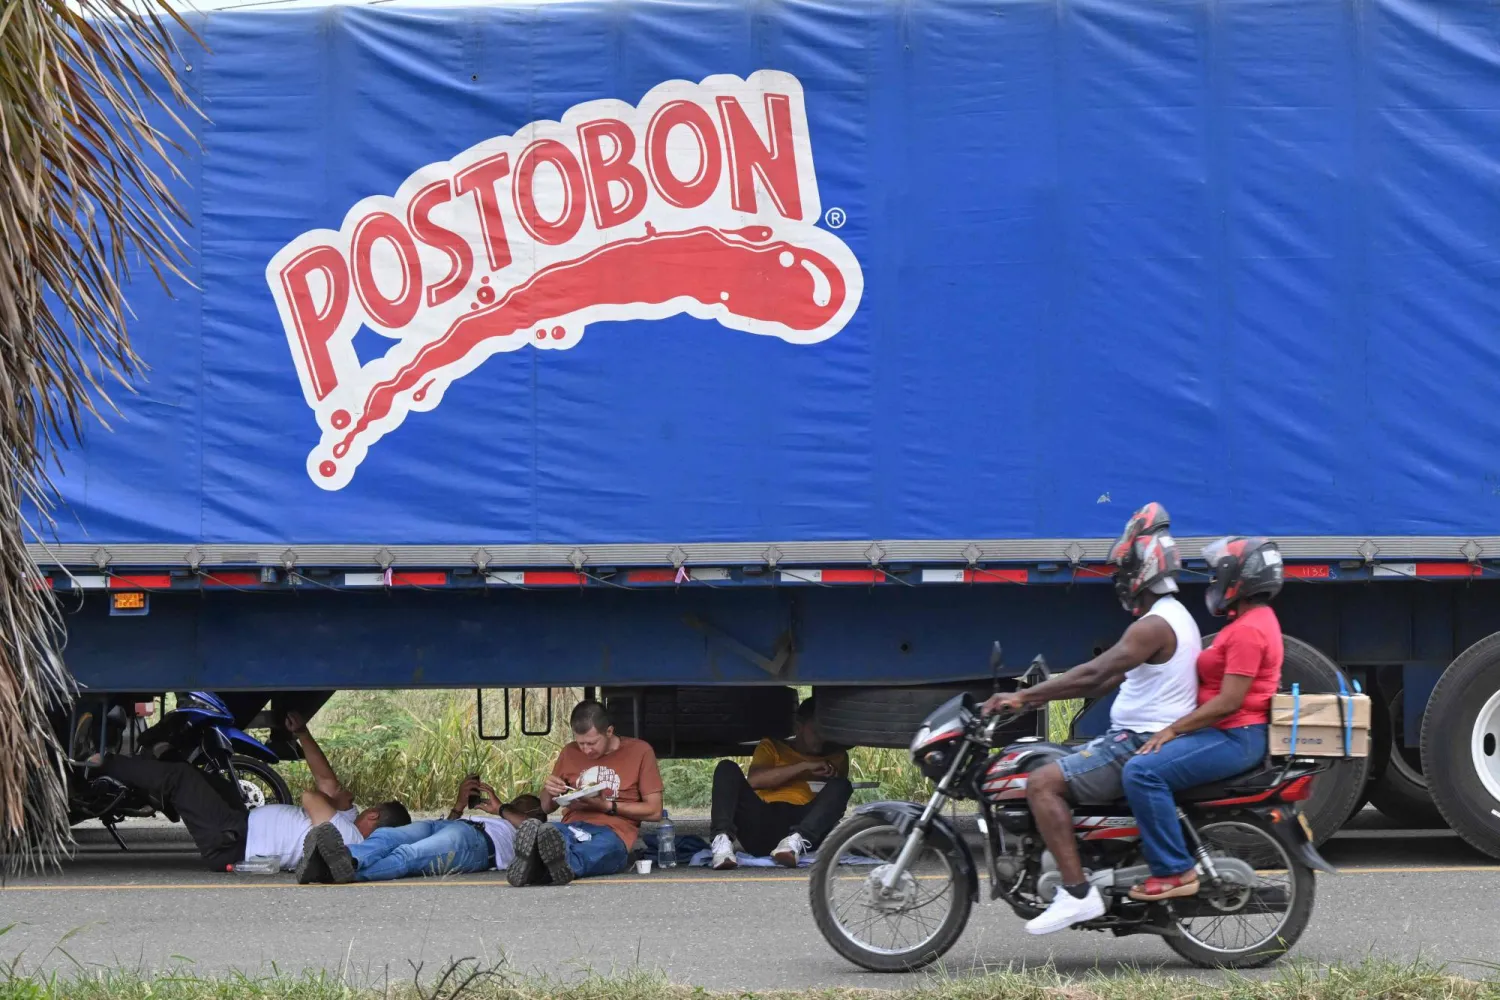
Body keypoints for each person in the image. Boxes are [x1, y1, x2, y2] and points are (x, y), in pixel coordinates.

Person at [980, 502, 1202, 935]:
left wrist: (1022, 697)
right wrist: (1049, 687)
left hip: (1139, 740)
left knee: (1042, 782)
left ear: (1141, 572)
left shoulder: (1153, 625)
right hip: (1139, 735)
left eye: (1124, 571)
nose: (1120, 581)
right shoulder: (1171, 618)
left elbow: (1097, 674)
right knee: (1054, 758)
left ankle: (1077, 893)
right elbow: (1106, 678)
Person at [1121, 536, 1286, 902]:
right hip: (1232, 732)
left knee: (1141, 772)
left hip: (1236, 736)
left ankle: (1173, 872)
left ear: (1241, 578)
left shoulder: (1248, 630)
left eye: (1217, 575)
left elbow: (1230, 701)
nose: (1214, 583)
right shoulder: (1253, 620)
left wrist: (1172, 729)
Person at [93, 711, 408, 871]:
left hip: (231, 843)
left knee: (181, 779)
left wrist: (332, 800)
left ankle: (98, 762)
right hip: (242, 823)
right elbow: (328, 784)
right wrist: (302, 733)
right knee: (210, 778)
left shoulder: (349, 839)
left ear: (374, 815)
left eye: (369, 807)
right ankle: (154, 766)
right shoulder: (348, 821)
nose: (361, 806)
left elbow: (313, 797)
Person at [509, 700, 663, 886]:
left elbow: (654, 811)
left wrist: (607, 806)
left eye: (592, 743)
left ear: (609, 731)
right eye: (580, 743)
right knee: (549, 833)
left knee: (603, 849)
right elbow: (546, 807)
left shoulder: (640, 751)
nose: (586, 750)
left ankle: (544, 867)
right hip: (571, 827)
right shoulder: (569, 752)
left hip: (613, 831)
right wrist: (550, 790)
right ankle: (549, 865)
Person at [298, 777, 546, 884]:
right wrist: (459, 805)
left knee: (410, 855)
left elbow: (528, 825)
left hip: (477, 842)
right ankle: (343, 858)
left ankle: (334, 873)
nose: (515, 803)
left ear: (535, 813)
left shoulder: (532, 826)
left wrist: (502, 808)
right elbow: (449, 828)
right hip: (450, 826)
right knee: (388, 836)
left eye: (523, 803)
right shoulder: (503, 816)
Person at [708, 697, 852, 869]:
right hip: (763, 821)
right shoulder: (772, 747)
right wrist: (804, 766)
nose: (821, 739)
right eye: (816, 732)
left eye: (825, 732)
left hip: (804, 827)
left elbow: (831, 803)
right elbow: (755, 780)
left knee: (842, 785)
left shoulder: (837, 756)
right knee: (726, 768)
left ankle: (794, 844)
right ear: (799, 727)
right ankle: (722, 842)